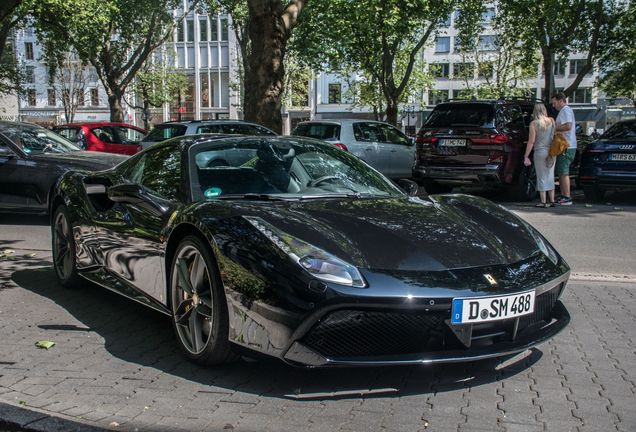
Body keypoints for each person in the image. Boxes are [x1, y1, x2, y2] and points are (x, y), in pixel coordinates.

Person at [524, 103, 556, 207]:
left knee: (541, 176)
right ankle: (552, 200)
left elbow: (531, 141)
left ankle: (543, 201)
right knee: (550, 175)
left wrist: (526, 155)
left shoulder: (534, 123)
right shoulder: (551, 120)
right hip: (552, 152)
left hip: (540, 152)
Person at [551, 92, 577, 205]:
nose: (553, 105)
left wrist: (554, 129)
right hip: (565, 145)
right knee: (561, 172)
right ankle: (563, 195)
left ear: (561, 100)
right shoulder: (565, 110)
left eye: (554, 102)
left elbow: (568, 126)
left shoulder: (565, 110)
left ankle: (566, 196)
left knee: (564, 171)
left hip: (566, 145)